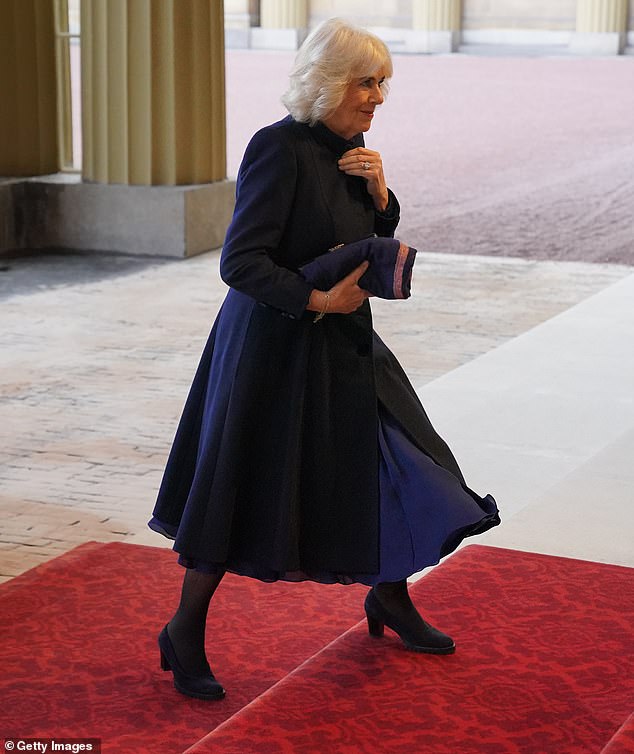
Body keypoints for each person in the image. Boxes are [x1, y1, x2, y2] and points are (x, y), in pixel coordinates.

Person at [149, 18, 500, 701]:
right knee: (240, 487)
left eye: (382, 83)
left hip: (345, 342)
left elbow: (356, 241)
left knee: (396, 460)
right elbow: (240, 262)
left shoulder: (353, 148)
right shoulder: (276, 149)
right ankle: (183, 629)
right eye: (366, 83)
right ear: (329, 82)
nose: (377, 97)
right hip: (272, 347)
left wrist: (382, 201)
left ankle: (388, 597)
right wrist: (312, 299)